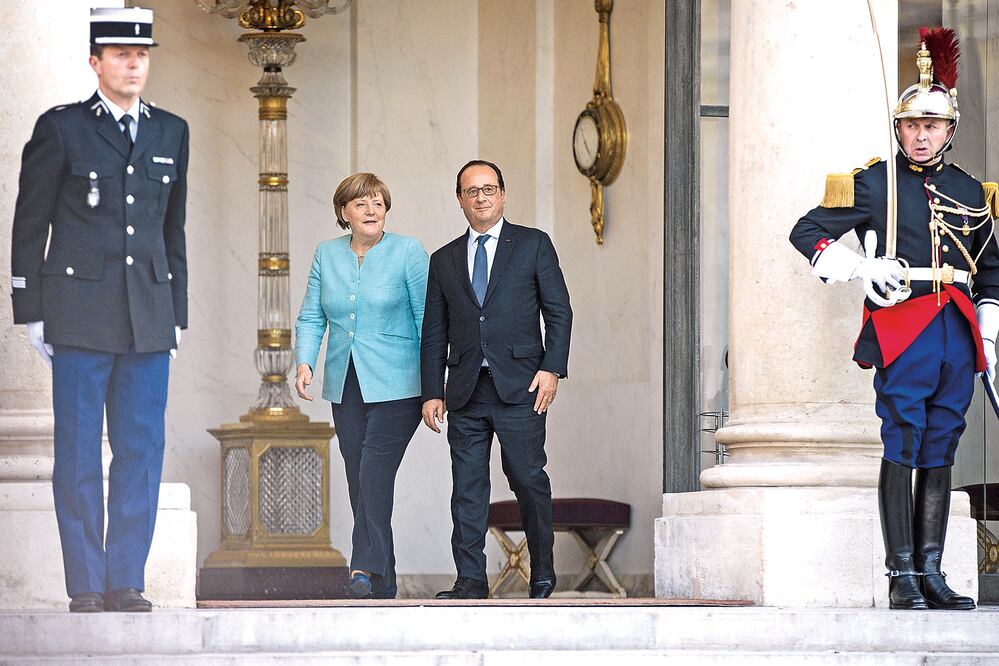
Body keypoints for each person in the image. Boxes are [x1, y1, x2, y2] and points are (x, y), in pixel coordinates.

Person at [789, 29, 997, 610]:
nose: (921, 135)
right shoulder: (875, 181)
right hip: (904, 321)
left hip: (957, 326)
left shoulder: (969, 189)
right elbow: (806, 231)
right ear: (899, 127)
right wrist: (861, 267)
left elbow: (992, 268)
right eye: (912, 125)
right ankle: (900, 574)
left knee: (942, 444)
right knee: (902, 439)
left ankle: (932, 572)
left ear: (949, 131)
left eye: (932, 126)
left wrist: (991, 323)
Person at [9, 7, 189, 613]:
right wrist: (30, 308)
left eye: (141, 54)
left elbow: (173, 231)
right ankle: (86, 584)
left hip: (148, 315)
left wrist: (176, 313)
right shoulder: (61, 128)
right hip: (79, 314)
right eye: (120, 54)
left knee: (142, 452)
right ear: (96, 61)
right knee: (80, 451)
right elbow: (30, 224)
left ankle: (125, 581)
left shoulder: (171, 131)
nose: (134, 62)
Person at [421, 160, 572, 599]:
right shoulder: (444, 259)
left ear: (503, 195)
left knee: (527, 479)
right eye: (472, 191)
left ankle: (542, 572)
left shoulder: (533, 244)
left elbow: (558, 311)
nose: (481, 197)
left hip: (522, 386)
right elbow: (434, 331)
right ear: (460, 200)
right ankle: (470, 579)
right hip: (466, 389)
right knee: (467, 488)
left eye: (489, 189)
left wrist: (552, 368)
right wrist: (433, 391)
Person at [294, 172, 428, 599]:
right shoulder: (326, 254)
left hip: (400, 383)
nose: (371, 210)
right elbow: (313, 316)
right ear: (343, 213)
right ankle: (382, 578)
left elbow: (430, 319)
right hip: (345, 382)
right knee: (358, 475)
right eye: (361, 203)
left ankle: (362, 567)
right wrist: (304, 362)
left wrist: (435, 386)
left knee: (373, 470)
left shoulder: (408, 251)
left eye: (378, 202)